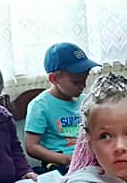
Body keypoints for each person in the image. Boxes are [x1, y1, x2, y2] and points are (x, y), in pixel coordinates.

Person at [24, 42, 98, 174]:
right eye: (76, 82)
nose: (83, 86)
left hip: (88, 159)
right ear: (54, 79)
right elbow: (31, 146)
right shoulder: (40, 106)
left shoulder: (85, 100)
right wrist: (64, 159)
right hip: (59, 164)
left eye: (85, 79)